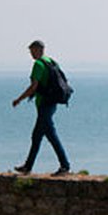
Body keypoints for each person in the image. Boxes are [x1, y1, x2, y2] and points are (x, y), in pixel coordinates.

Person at [12, 40, 71, 176]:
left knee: (52, 136)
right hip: (52, 103)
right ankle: (28, 166)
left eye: (32, 50)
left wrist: (19, 99)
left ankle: (65, 166)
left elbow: (34, 86)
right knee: (37, 136)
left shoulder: (38, 64)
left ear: (39, 50)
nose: (31, 53)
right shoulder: (51, 61)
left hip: (44, 104)